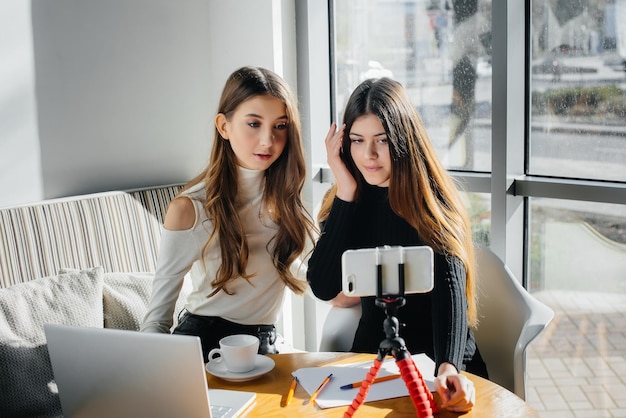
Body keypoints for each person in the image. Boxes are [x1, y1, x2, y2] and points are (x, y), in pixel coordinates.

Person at [307, 77, 487, 413]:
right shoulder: (348, 201)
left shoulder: (432, 203)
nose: (368, 155)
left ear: (404, 140)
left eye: (382, 140)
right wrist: (345, 191)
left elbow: (450, 292)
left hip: (438, 363)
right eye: (357, 141)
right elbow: (323, 286)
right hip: (375, 362)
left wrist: (448, 364)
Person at [141, 66, 316, 360]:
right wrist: (157, 374)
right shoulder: (191, 208)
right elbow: (157, 318)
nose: (267, 140)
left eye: (280, 126)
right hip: (202, 346)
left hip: (261, 347)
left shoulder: (288, 205)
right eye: (253, 124)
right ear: (224, 126)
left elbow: (319, 283)